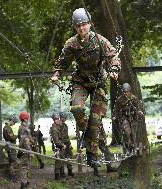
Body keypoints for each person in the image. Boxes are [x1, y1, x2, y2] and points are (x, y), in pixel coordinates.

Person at [51, 7, 121, 176]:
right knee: (76, 109)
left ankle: (92, 154)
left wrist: (114, 69)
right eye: (78, 26)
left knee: (96, 120)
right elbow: (62, 62)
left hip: (98, 83)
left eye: (84, 24)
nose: (81, 28)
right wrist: (56, 74)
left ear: (89, 24)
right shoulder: (71, 43)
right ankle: (91, 143)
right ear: (75, 28)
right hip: (80, 82)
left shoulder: (100, 40)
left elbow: (113, 57)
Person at [113, 83, 144, 154]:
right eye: (124, 92)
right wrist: (115, 116)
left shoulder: (134, 98)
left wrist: (139, 112)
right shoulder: (119, 100)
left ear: (130, 91)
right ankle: (127, 147)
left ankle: (133, 147)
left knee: (133, 133)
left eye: (126, 91)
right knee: (127, 131)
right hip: (124, 118)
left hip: (133, 118)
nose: (125, 93)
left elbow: (139, 108)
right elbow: (116, 110)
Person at [17, 112, 32, 189]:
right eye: (27, 118)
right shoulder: (24, 128)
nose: (28, 119)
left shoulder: (22, 127)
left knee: (26, 167)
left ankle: (25, 181)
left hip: (24, 150)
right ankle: (23, 184)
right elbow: (25, 140)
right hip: (25, 151)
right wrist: (30, 151)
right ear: (25, 119)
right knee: (24, 167)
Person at [49, 113, 65, 180]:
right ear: (54, 120)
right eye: (57, 119)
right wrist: (62, 145)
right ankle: (57, 176)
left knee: (61, 160)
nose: (58, 120)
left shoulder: (57, 126)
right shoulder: (54, 129)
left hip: (60, 146)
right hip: (57, 146)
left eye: (58, 119)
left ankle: (61, 175)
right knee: (58, 161)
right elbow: (56, 140)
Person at [3, 115, 18, 182]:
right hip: (11, 146)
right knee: (13, 161)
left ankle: (11, 174)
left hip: (8, 146)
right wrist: (17, 136)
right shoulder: (8, 128)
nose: (14, 124)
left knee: (10, 161)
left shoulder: (6, 127)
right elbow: (12, 137)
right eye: (14, 122)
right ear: (11, 121)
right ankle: (12, 176)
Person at [59, 112, 74, 177]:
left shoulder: (65, 125)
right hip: (61, 144)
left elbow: (67, 136)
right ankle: (62, 173)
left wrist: (69, 144)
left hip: (67, 143)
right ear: (60, 117)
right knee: (61, 158)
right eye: (63, 117)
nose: (64, 119)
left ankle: (70, 171)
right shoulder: (57, 125)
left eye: (65, 118)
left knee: (69, 157)